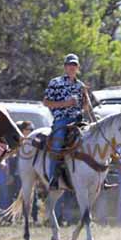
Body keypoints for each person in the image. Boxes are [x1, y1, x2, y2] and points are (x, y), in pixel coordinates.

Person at [43, 53, 91, 190]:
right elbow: (46, 102)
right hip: (62, 119)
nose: (72, 67)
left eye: (74, 65)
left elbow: (85, 107)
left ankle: (97, 175)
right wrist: (66, 103)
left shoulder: (80, 85)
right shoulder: (55, 82)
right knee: (57, 143)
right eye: (69, 65)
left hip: (78, 119)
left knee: (93, 138)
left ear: (78, 68)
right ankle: (53, 177)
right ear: (65, 67)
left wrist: (86, 100)